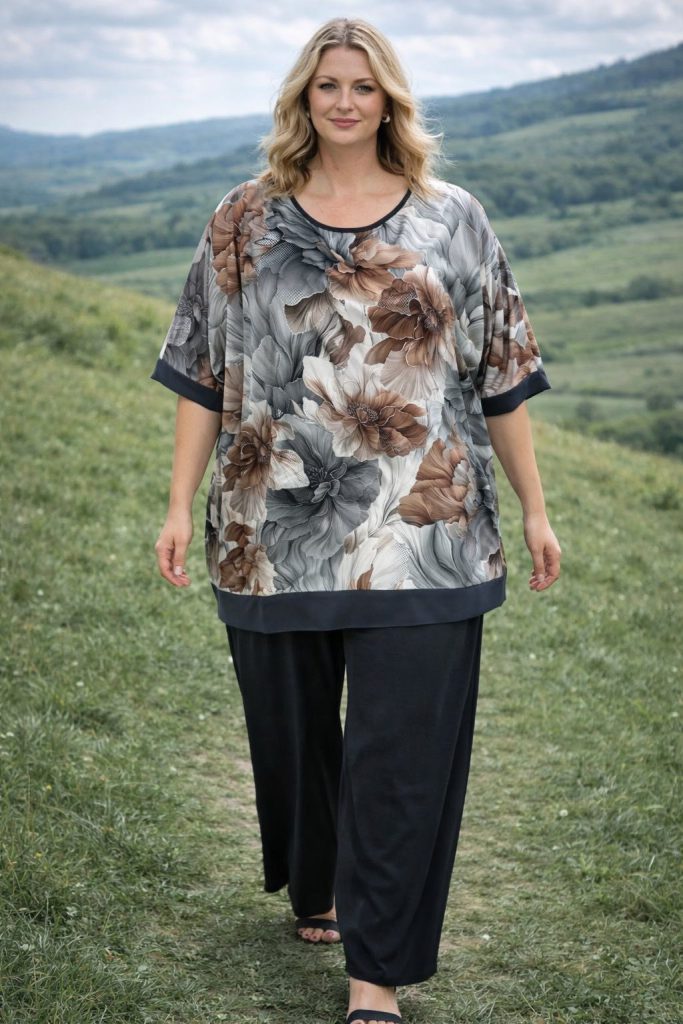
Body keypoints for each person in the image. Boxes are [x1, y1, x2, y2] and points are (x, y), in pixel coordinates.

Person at [151, 16, 561, 1024]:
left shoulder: (452, 218)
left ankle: (375, 974)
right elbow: (201, 367)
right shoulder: (242, 218)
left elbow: (501, 370)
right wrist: (176, 505)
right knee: (291, 736)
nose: (344, 101)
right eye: (327, 85)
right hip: (268, 530)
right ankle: (318, 880)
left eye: (363, 86)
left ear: (388, 102)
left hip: (426, 535)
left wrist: (535, 510)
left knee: (401, 756)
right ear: (304, 97)